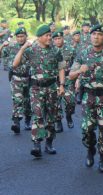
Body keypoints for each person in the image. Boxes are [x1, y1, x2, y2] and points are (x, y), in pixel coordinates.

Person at [69, 24, 103, 173]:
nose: (96, 37)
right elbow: (71, 75)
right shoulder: (83, 54)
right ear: (90, 36)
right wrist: (80, 70)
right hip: (88, 97)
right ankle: (90, 149)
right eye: (93, 34)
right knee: (87, 129)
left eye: (99, 34)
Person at [13, 24, 65, 158]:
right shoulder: (31, 50)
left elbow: (61, 68)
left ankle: (49, 143)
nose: (50, 38)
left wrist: (62, 85)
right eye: (47, 36)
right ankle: (36, 144)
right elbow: (15, 64)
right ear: (40, 37)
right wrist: (23, 48)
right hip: (36, 88)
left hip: (52, 88)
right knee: (38, 115)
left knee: (51, 117)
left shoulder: (56, 51)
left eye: (50, 35)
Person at [0, 27, 32, 134]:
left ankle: (27, 120)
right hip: (16, 77)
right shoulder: (11, 47)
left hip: (29, 78)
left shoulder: (31, 48)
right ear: (15, 37)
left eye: (22, 36)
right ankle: (16, 123)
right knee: (17, 100)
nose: (20, 39)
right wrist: (2, 46)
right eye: (18, 36)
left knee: (28, 101)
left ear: (26, 36)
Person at [52, 30, 76, 130]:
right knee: (56, 102)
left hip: (67, 79)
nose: (58, 41)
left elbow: (76, 63)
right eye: (56, 39)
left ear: (63, 38)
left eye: (59, 38)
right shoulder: (50, 51)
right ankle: (58, 122)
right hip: (54, 80)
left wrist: (76, 76)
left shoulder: (70, 49)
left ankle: (69, 116)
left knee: (70, 102)